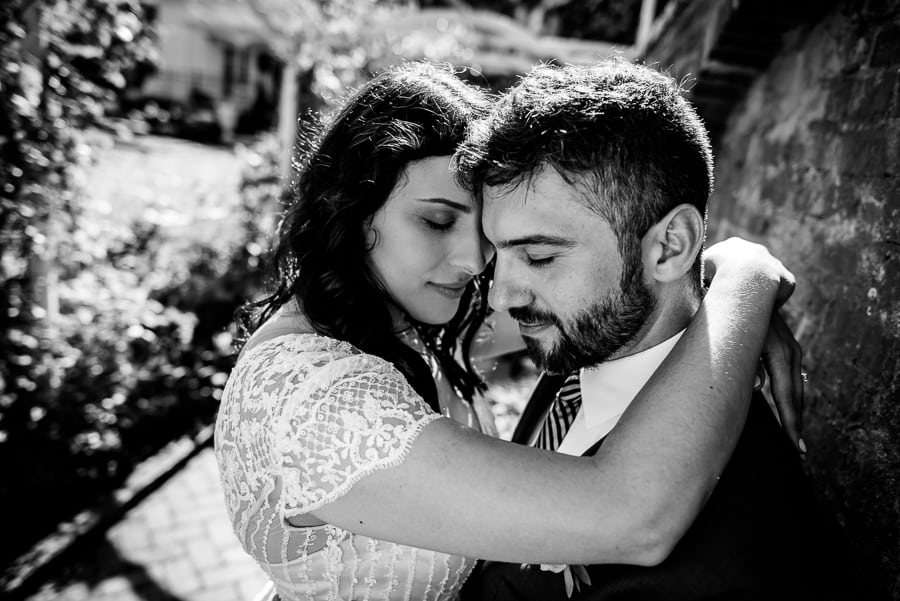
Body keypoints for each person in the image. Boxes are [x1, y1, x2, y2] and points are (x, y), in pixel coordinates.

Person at [214, 62, 802, 601]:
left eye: (491, 241)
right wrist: (745, 281)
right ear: (350, 207)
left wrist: (706, 302)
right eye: (438, 220)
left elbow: (624, 298)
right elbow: (624, 512)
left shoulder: (398, 325)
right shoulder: (311, 401)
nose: (479, 270)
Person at [457, 60, 840, 600]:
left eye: (540, 256)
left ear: (671, 246)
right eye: (498, 252)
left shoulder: (726, 557)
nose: (501, 295)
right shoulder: (588, 346)